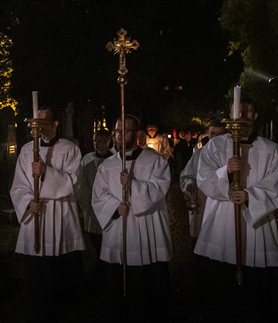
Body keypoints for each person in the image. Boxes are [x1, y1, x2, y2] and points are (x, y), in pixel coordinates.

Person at [193, 98, 278, 320]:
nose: (243, 115)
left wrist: (249, 195)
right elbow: (203, 178)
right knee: (220, 287)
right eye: (238, 111)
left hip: (257, 225)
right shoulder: (215, 146)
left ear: (255, 115)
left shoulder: (272, 150)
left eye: (248, 111)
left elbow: (276, 185)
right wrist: (225, 171)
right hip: (222, 221)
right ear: (230, 115)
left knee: (255, 292)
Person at [92, 115, 173, 321]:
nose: (119, 135)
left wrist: (133, 184)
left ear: (137, 134)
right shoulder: (107, 166)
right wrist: (114, 207)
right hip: (118, 230)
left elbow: (158, 190)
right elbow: (98, 196)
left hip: (147, 229)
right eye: (116, 131)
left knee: (148, 287)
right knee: (118, 287)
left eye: (124, 131)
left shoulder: (155, 161)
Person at [10, 107, 85, 321]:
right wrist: (27, 202)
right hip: (36, 216)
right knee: (37, 276)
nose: (40, 128)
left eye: (44, 123)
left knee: (62, 275)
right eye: (37, 123)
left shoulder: (70, 149)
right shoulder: (26, 150)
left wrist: (46, 173)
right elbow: (18, 185)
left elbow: (75, 183)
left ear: (55, 124)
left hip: (61, 216)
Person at [74, 128, 114, 281]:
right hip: (90, 205)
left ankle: (106, 268)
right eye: (95, 141)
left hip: (108, 205)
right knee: (93, 238)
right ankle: (98, 266)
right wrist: (86, 201)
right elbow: (81, 183)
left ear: (108, 142)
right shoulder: (87, 159)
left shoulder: (114, 159)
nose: (98, 144)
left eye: (101, 141)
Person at [179, 119, 226, 242]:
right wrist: (190, 187)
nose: (215, 137)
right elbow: (188, 175)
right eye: (212, 133)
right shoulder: (199, 154)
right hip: (202, 198)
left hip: (223, 199)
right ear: (207, 133)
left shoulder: (230, 154)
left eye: (219, 134)